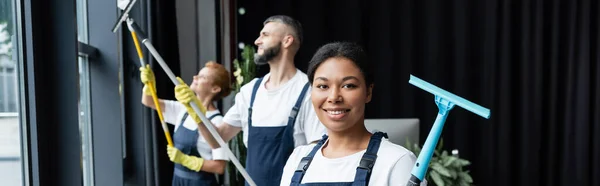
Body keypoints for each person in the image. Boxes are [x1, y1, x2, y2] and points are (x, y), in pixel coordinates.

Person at [173, 15, 328, 186]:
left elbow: (318, 152)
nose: (257, 41)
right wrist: (196, 112)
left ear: (287, 41)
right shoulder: (250, 92)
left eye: (265, 35)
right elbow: (216, 140)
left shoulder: (307, 91)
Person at [280, 42, 424, 185]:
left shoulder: (397, 162)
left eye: (348, 86)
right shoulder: (297, 159)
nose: (334, 97)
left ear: (368, 92)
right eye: (323, 86)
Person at [139, 61, 232, 186]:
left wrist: (186, 160)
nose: (195, 78)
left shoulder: (217, 122)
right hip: (178, 181)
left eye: (202, 77)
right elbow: (149, 101)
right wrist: (148, 85)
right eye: (197, 74)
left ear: (215, 89)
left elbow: (219, 167)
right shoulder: (183, 110)